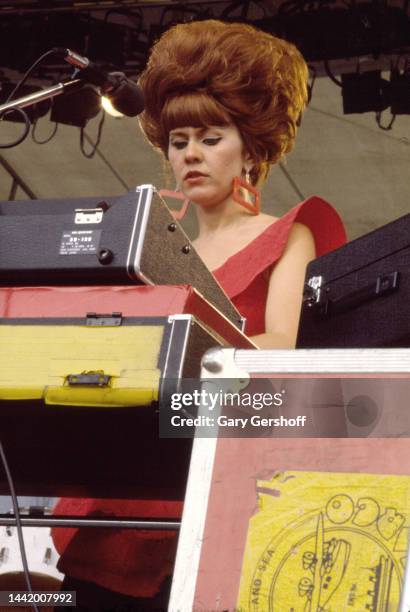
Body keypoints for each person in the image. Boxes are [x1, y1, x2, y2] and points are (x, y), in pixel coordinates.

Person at [53, 19, 346, 610]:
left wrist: (172, 356)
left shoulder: (291, 236)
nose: (190, 152)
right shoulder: (146, 248)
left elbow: (284, 350)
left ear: (252, 148)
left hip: (224, 483)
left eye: (211, 138)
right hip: (126, 485)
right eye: (178, 139)